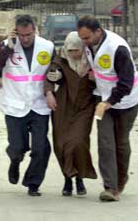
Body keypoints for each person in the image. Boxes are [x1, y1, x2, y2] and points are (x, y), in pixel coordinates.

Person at [0, 15, 54, 196]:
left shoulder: (47, 47)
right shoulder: (8, 46)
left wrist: (50, 92)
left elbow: (54, 71)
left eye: (29, 35)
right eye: (22, 35)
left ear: (35, 30)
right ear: (16, 31)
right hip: (15, 104)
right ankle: (15, 162)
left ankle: (33, 182)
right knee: (17, 147)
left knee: (41, 148)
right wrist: (9, 45)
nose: (25, 39)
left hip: (39, 105)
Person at [77, 16, 138, 202]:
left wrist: (109, 102)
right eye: (82, 38)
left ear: (98, 32)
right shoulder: (89, 44)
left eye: (87, 38)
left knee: (121, 142)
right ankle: (110, 187)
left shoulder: (117, 49)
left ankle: (121, 179)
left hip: (127, 101)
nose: (84, 42)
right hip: (102, 100)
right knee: (105, 142)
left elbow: (126, 83)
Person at [44, 31, 97, 197]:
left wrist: (95, 78)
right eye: (70, 51)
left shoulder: (92, 60)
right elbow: (49, 78)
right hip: (63, 106)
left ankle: (79, 177)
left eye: (76, 50)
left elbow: (107, 76)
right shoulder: (60, 60)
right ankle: (68, 178)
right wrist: (50, 91)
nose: (73, 54)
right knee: (61, 144)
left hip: (85, 106)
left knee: (78, 142)